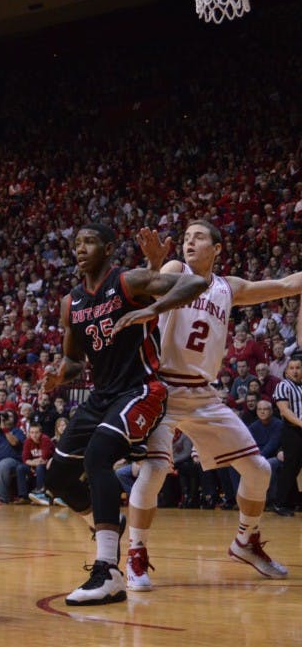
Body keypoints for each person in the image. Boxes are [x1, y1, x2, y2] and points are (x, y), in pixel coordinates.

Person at [122, 223, 299, 590]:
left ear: (217, 248)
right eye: (186, 237)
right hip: (164, 389)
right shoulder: (176, 271)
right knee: (153, 472)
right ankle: (135, 552)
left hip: (203, 394)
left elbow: (283, 286)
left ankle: (244, 541)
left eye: (198, 237)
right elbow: (147, 288)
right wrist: (154, 264)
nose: (189, 242)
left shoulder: (227, 287)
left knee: (258, 469)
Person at [41, 222, 207, 606]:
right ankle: (109, 526)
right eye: (76, 242)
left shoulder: (128, 281)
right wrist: (57, 376)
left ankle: (108, 571)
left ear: (109, 248)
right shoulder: (72, 302)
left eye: (90, 242)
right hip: (102, 396)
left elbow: (194, 285)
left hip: (142, 390)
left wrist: (151, 309)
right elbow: (72, 360)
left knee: (99, 456)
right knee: (58, 479)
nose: (81, 248)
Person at [272, 354, 302, 516]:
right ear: (286, 371)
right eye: (292, 368)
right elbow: (284, 410)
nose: (295, 371)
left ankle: (293, 502)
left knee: (296, 468)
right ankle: (279, 503)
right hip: (292, 430)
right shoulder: (284, 385)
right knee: (290, 468)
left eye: (298, 367)